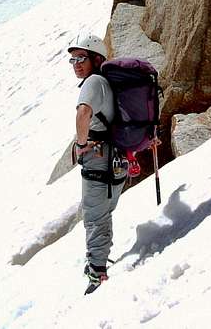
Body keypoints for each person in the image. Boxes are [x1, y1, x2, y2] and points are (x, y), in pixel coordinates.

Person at [68, 32, 126, 294]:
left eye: (81, 58)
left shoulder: (93, 82)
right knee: (102, 213)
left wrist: (81, 145)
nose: (76, 64)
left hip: (99, 159)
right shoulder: (105, 82)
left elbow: (83, 113)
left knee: (94, 216)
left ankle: (97, 272)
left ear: (96, 58)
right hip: (115, 158)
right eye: (72, 60)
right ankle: (98, 261)